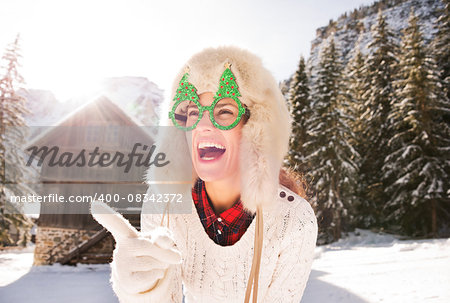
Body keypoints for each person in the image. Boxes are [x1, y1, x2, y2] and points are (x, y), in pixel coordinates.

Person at [91, 46, 318, 303]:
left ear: (255, 129)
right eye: (193, 113)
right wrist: (141, 290)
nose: (202, 125)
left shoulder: (294, 220)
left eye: (224, 112)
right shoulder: (164, 205)